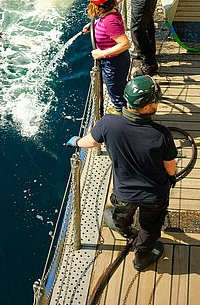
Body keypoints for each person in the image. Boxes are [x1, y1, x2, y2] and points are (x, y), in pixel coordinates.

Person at [66, 76, 177, 271]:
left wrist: (75, 141)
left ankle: (123, 228)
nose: (157, 103)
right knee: (149, 228)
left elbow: (90, 141)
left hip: (124, 193)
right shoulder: (161, 134)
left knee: (121, 213)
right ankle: (141, 259)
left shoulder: (108, 124)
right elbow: (170, 167)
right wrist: (171, 178)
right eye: (155, 101)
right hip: (154, 196)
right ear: (145, 108)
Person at [85, 0, 131, 113]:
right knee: (119, 85)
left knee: (115, 90)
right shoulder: (110, 12)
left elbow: (125, 44)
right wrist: (93, 26)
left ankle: (120, 112)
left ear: (96, 5)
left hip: (113, 63)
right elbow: (106, 25)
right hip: (118, 60)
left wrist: (101, 54)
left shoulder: (109, 21)